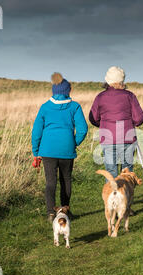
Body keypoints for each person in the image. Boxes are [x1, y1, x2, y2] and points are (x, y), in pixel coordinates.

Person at [32, 73, 88, 222]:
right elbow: (83, 129)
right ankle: (65, 211)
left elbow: (36, 130)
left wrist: (35, 151)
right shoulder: (75, 107)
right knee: (66, 180)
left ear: (54, 91)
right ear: (68, 91)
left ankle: (51, 213)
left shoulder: (45, 107)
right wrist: (74, 142)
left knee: (50, 182)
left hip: (47, 150)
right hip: (67, 150)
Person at [89, 66, 143, 178]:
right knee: (127, 172)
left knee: (111, 173)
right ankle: (126, 195)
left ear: (108, 80)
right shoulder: (129, 96)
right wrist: (133, 123)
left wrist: (103, 125)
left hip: (108, 138)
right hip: (127, 138)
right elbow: (139, 118)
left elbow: (93, 118)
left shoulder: (100, 97)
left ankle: (113, 194)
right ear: (122, 80)